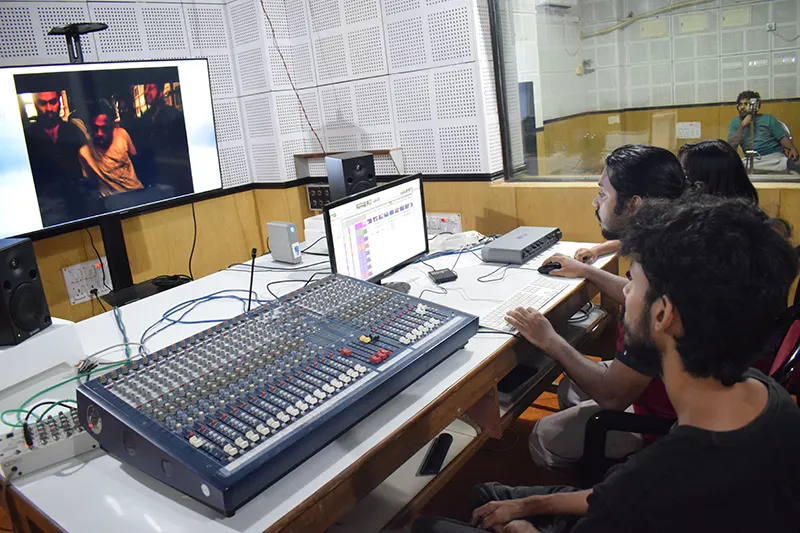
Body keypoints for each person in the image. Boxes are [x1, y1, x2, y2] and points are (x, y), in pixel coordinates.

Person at [414, 194, 800, 533]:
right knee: (490, 496)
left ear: (663, 314)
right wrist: (528, 506)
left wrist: (521, 526)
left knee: (425, 525)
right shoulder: (772, 399)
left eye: (634, 283)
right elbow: (615, 493)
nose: (625, 290)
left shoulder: (648, 485)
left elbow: (625, 497)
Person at [525, 145, 686, 471]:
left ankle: (617, 480)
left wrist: (550, 340)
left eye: (603, 193)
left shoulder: (655, 282)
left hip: (669, 420)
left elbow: (613, 397)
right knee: (571, 387)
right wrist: (587, 271)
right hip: (679, 393)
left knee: (542, 436)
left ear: (634, 203)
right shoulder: (676, 244)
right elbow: (631, 293)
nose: (595, 203)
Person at [574, 138, 760, 263]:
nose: (679, 184)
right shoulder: (673, 231)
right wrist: (598, 251)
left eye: (683, 175)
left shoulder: (684, 251)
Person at [22, 90, 89, 225]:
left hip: (79, 198)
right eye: (43, 103)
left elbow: (89, 161)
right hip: (47, 205)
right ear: (35, 103)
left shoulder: (72, 129)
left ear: (59, 101)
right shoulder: (28, 136)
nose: (48, 108)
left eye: (52, 102)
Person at [78, 99, 143, 196]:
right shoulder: (85, 153)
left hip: (136, 191)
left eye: (104, 128)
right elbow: (91, 182)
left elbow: (136, 160)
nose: (99, 133)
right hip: (112, 199)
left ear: (112, 126)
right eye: (96, 129)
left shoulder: (121, 134)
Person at [727, 90, 799, 173]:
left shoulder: (768, 119)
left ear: (755, 105)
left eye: (746, 104)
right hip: (752, 160)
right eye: (740, 104)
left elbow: (782, 138)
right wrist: (742, 126)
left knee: (784, 163)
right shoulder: (735, 123)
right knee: (737, 166)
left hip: (774, 158)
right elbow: (731, 146)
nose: (742, 107)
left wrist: (792, 148)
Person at [136, 82, 191, 191]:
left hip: (172, 168)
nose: (146, 92)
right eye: (145, 88)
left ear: (161, 92)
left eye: (150, 88)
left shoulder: (172, 114)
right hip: (153, 170)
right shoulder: (145, 116)